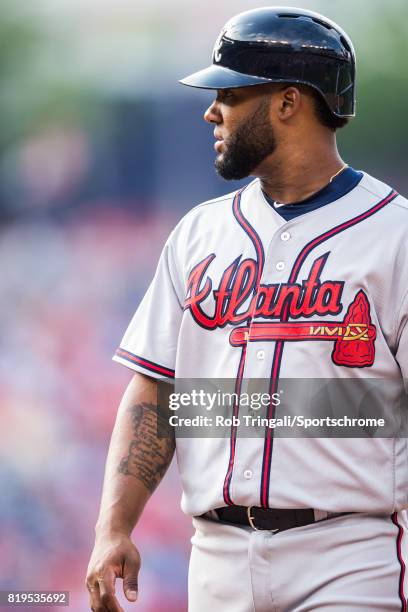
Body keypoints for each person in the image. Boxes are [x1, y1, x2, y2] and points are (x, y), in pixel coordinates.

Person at [86, 7, 408, 611]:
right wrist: (114, 525)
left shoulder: (396, 237)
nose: (211, 111)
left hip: (348, 557)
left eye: (229, 94)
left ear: (288, 103)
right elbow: (155, 390)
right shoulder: (198, 233)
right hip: (215, 559)